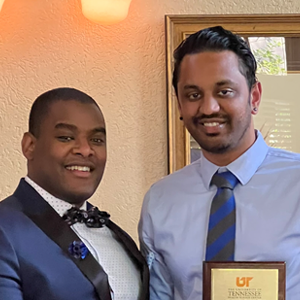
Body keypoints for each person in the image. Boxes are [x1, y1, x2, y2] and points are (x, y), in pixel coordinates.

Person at [138, 26, 300, 299]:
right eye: (193, 95)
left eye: (224, 91)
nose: (209, 108)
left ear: (254, 97)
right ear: (179, 104)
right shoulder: (160, 201)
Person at [0, 87, 149, 300]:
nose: (85, 150)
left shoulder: (117, 236)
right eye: (66, 137)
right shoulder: (5, 229)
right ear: (29, 146)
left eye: (97, 140)